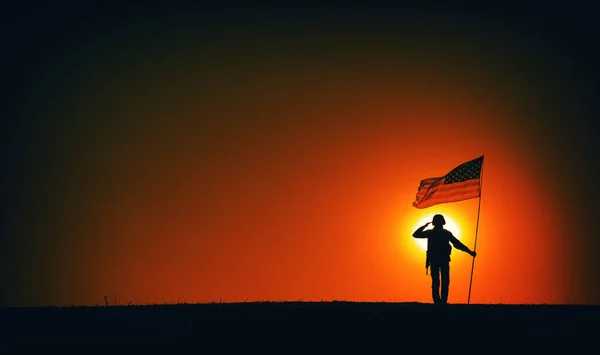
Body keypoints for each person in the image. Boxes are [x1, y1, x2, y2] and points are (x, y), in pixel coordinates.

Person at [412, 214, 476, 305]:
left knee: (438, 282)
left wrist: (470, 252)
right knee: (441, 282)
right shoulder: (444, 233)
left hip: (438, 260)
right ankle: (441, 302)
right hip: (441, 260)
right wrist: (470, 252)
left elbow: (457, 244)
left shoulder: (432, 233)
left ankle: (439, 302)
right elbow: (457, 244)